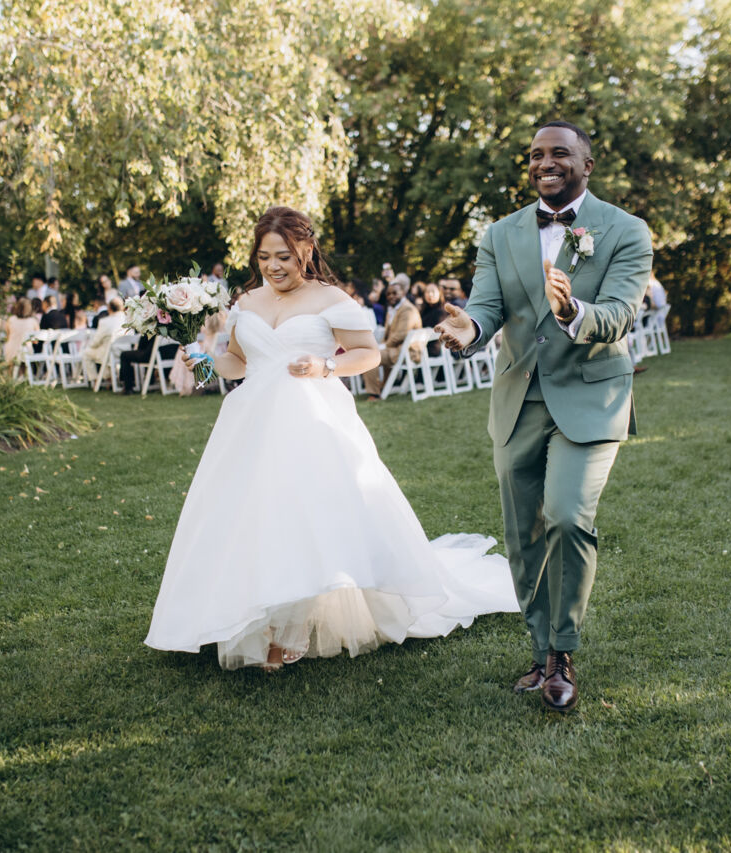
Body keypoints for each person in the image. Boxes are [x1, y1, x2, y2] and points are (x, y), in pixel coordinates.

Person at [146, 206, 516, 670]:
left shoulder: (331, 299)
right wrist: (203, 362)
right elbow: (237, 362)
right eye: (264, 257)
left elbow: (368, 354)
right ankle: (251, 612)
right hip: (251, 423)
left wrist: (326, 365)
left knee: (306, 516)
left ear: (306, 250)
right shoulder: (246, 303)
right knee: (253, 516)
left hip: (312, 420)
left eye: (283, 256)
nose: (273, 266)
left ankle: (290, 627)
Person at [435, 120, 652, 713]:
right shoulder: (500, 233)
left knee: (568, 517)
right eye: (535, 155)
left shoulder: (625, 230)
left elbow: (619, 314)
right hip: (518, 400)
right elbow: (485, 306)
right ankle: (538, 652)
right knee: (522, 534)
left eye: (559, 153)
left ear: (587, 164)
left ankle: (562, 654)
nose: (545, 163)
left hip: (590, 398)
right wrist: (469, 330)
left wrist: (572, 308)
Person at [362, 280, 423, 399]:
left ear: (403, 293)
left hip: (407, 352)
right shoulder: (392, 309)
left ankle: (374, 394)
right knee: (372, 353)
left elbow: (400, 335)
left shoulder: (408, 310)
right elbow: (388, 334)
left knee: (370, 356)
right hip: (396, 349)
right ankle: (382, 387)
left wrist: (383, 346)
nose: (391, 296)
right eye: (388, 294)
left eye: (395, 293)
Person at [81, 296, 127, 382]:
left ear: (109, 308)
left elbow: (96, 341)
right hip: (126, 350)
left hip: (110, 353)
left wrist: (90, 346)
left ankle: (95, 380)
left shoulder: (105, 322)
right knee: (104, 349)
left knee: (86, 353)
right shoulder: (127, 319)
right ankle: (108, 378)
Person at [2, 297, 40, 365]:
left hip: (11, 351)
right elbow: (36, 341)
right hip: (25, 352)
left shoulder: (11, 319)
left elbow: (7, 337)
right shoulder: (33, 321)